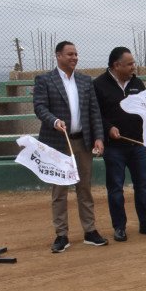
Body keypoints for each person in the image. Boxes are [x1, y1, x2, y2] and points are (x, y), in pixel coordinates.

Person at [33, 41, 108, 253]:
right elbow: (39, 107)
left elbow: (94, 111)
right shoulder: (45, 80)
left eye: (75, 54)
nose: (74, 57)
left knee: (84, 188)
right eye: (70, 54)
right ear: (58, 56)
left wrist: (99, 137)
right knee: (59, 190)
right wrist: (54, 121)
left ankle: (90, 231)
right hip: (58, 143)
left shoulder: (85, 81)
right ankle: (61, 234)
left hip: (83, 141)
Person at [93, 46, 146, 242]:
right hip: (114, 147)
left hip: (138, 145)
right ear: (116, 65)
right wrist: (108, 128)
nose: (134, 67)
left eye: (133, 63)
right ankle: (119, 227)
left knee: (143, 186)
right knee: (115, 189)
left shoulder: (137, 83)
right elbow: (95, 113)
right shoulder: (99, 85)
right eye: (130, 64)